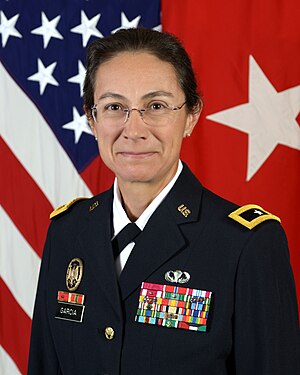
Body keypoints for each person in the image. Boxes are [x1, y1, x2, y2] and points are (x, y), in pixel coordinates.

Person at [27, 28, 300, 375]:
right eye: (114, 107)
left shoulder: (246, 244)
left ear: (191, 116)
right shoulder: (67, 232)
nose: (135, 129)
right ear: (92, 119)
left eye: (155, 106)